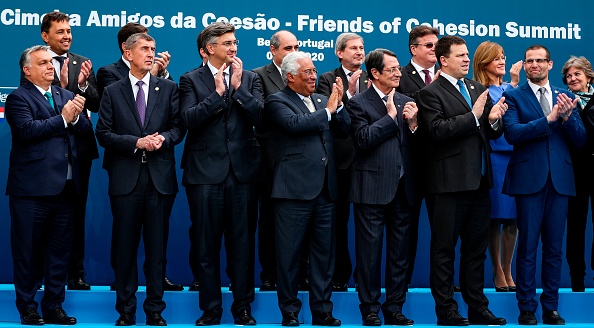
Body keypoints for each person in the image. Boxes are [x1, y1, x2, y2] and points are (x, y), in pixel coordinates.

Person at [95, 32, 185, 326]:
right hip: (125, 180)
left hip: (160, 179)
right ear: (128, 53)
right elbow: (104, 134)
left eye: (153, 49)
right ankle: (126, 311)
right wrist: (137, 142)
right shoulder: (113, 90)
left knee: (157, 250)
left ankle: (155, 310)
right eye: (145, 49)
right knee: (125, 248)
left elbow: (177, 128)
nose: (150, 54)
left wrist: (163, 139)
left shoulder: (169, 88)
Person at [418, 35, 507, 326]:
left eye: (468, 55)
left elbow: (491, 132)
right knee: (444, 251)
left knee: (475, 251)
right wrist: (476, 115)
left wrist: (494, 119)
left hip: (480, 182)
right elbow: (437, 131)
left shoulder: (477, 87)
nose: (467, 60)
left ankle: (477, 307)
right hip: (448, 184)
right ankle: (446, 310)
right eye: (460, 56)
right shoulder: (430, 93)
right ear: (443, 61)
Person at [179, 22, 263, 326]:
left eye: (235, 42)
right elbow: (188, 119)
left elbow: (261, 116)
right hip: (204, 174)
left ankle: (243, 307)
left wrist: (238, 89)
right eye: (227, 42)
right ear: (208, 49)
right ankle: (211, 309)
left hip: (243, 173)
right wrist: (216, 95)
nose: (234, 47)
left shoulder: (250, 78)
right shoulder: (190, 79)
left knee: (242, 244)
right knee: (206, 245)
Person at [7, 45, 93, 325]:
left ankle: (54, 306)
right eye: (42, 62)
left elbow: (84, 134)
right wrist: (64, 118)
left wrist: (78, 117)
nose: (49, 66)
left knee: (59, 254)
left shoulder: (66, 95)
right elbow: (27, 131)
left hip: (66, 189)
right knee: (28, 252)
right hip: (31, 191)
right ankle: (28, 308)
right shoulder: (19, 98)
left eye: (51, 63)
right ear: (27, 70)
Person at [502, 45, 586, 325]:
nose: (534, 65)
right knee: (526, 246)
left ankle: (551, 307)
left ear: (550, 65)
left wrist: (566, 118)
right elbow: (513, 133)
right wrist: (549, 119)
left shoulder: (567, 97)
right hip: (529, 180)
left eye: (540, 60)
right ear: (524, 65)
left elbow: (580, 140)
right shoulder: (514, 96)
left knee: (554, 248)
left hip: (560, 180)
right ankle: (526, 308)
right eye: (529, 61)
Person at [265, 51, 350, 326]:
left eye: (314, 71)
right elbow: (294, 125)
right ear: (290, 77)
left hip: (325, 190)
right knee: (289, 255)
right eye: (307, 72)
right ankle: (289, 311)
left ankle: (322, 310)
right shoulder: (277, 101)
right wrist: (328, 110)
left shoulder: (323, 100)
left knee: (323, 255)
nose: (314, 76)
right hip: (293, 191)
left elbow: (344, 129)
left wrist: (339, 105)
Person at [18, 11, 100, 291]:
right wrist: (62, 90)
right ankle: (38, 282)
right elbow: (32, 108)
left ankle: (74, 273)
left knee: (72, 219)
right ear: (45, 36)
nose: (66, 36)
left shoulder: (82, 62)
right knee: (41, 228)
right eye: (60, 31)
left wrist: (80, 87)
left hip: (77, 155)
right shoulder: (31, 64)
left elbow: (94, 104)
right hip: (44, 164)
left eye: (69, 31)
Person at [346, 48, 417, 326]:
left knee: (400, 254)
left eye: (399, 69)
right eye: (392, 70)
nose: (398, 73)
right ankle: (370, 308)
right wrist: (389, 119)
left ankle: (395, 307)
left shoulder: (407, 100)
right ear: (374, 73)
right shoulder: (358, 103)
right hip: (372, 187)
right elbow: (362, 139)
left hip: (403, 187)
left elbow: (418, 145)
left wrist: (412, 125)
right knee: (369, 254)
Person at [316, 32, 368, 292]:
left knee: (368, 225)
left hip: (368, 162)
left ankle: (364, 277)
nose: (359, 52)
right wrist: (349, 95)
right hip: (338, 163)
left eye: (362, 48)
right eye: (353, 48)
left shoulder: (373, 78)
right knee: (336, 224)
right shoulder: (326, 79)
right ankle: (339, 275)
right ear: (340, 53)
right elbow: (329, 115)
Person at [472, 41, 522, 293]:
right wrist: (512, 85)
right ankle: (497, 271)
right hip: (493, 158)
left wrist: (513, 83)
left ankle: (508, 268)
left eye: (503, 56)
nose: (502, 61)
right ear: (484, 63)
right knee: (494, 218)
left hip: (515, 158)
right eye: (496, 58)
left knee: (512, 218)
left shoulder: (512, 88)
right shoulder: (479, 90)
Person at [395, 25, 442, 290]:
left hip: (440, 167)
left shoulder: (446, 78)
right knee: (406, 233)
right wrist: (432, 90)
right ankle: (402, 287)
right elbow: (402, 104)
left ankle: (443, 285)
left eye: (436, 44)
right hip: (409, 167)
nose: (434, 49)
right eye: (429, 45)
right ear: (414, 49)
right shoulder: (399, 75)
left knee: (443, 232)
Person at [252, 30, 299, 292]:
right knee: (269, 221)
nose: (293, 52)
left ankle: (299, 274)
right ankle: (269, 274)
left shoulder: (306, 72)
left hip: (301, 162)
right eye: (287, 48)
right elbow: (262, 114)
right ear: (273, 51)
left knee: (302, 221)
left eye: (296, 47)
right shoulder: (259, 75)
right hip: (271, 161)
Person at [562, 56, 594, 292]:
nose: (572, 79)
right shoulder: (563, 102)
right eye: (569, 76)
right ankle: (577, 281)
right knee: (575, 227)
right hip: (574, 173)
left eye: (577, 75)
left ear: (588, 77)